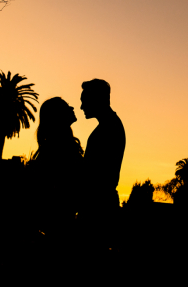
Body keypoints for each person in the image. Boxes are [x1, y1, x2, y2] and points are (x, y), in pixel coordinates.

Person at [78, 79, 126, 250]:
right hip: (100, 207)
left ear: (96, 99)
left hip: (98, 210)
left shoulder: (108, 129)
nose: (82, 107)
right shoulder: (110, 126)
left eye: (84, 101)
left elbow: (96, 176)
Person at [29, 97, 84, 237]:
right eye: (67, 107)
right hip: (60, 228)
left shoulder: (59, 146)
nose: (72, 108)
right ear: (57, 116)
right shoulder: (57, 150)